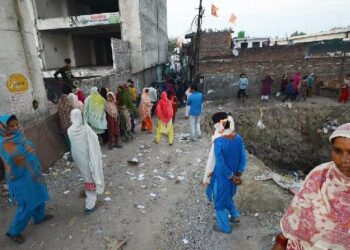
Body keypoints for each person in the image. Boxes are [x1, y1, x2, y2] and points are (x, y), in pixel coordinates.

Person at [272, 123, 350, 250]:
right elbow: (296, 214)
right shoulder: (319, 175)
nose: (344, 160)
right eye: (338, 151)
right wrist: (280, 242)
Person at [0, 115, 52, 244]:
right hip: (19, 177)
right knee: (27, 204)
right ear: (4, 128)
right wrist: (24, 153)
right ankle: (13, 231)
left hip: (32, 172)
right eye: (12, 126)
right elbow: (13, 160)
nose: (16, 127)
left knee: (39, 194)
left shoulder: (19, 135)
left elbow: (28, 151)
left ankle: (39, 217)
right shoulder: (4, 142)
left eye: (16, 124)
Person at [205, 112, 247, 234]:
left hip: (223, 177)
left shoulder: (219, 142)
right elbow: (243, 157)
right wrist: (238, 174)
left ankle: (224, 226)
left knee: (219, 200)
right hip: (234, 176)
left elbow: (220, 163)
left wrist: (230, 176)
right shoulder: (238, 138)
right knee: (227, 195)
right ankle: (234, 215)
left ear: (219, 125)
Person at [68, 109, 104, 214]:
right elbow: (94, 140)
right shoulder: (86, 129)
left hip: (79, 159)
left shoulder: (70, 130)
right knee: (91, 178)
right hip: (88, 158)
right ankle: (90, 206)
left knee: (86, 177)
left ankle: (90, 200)